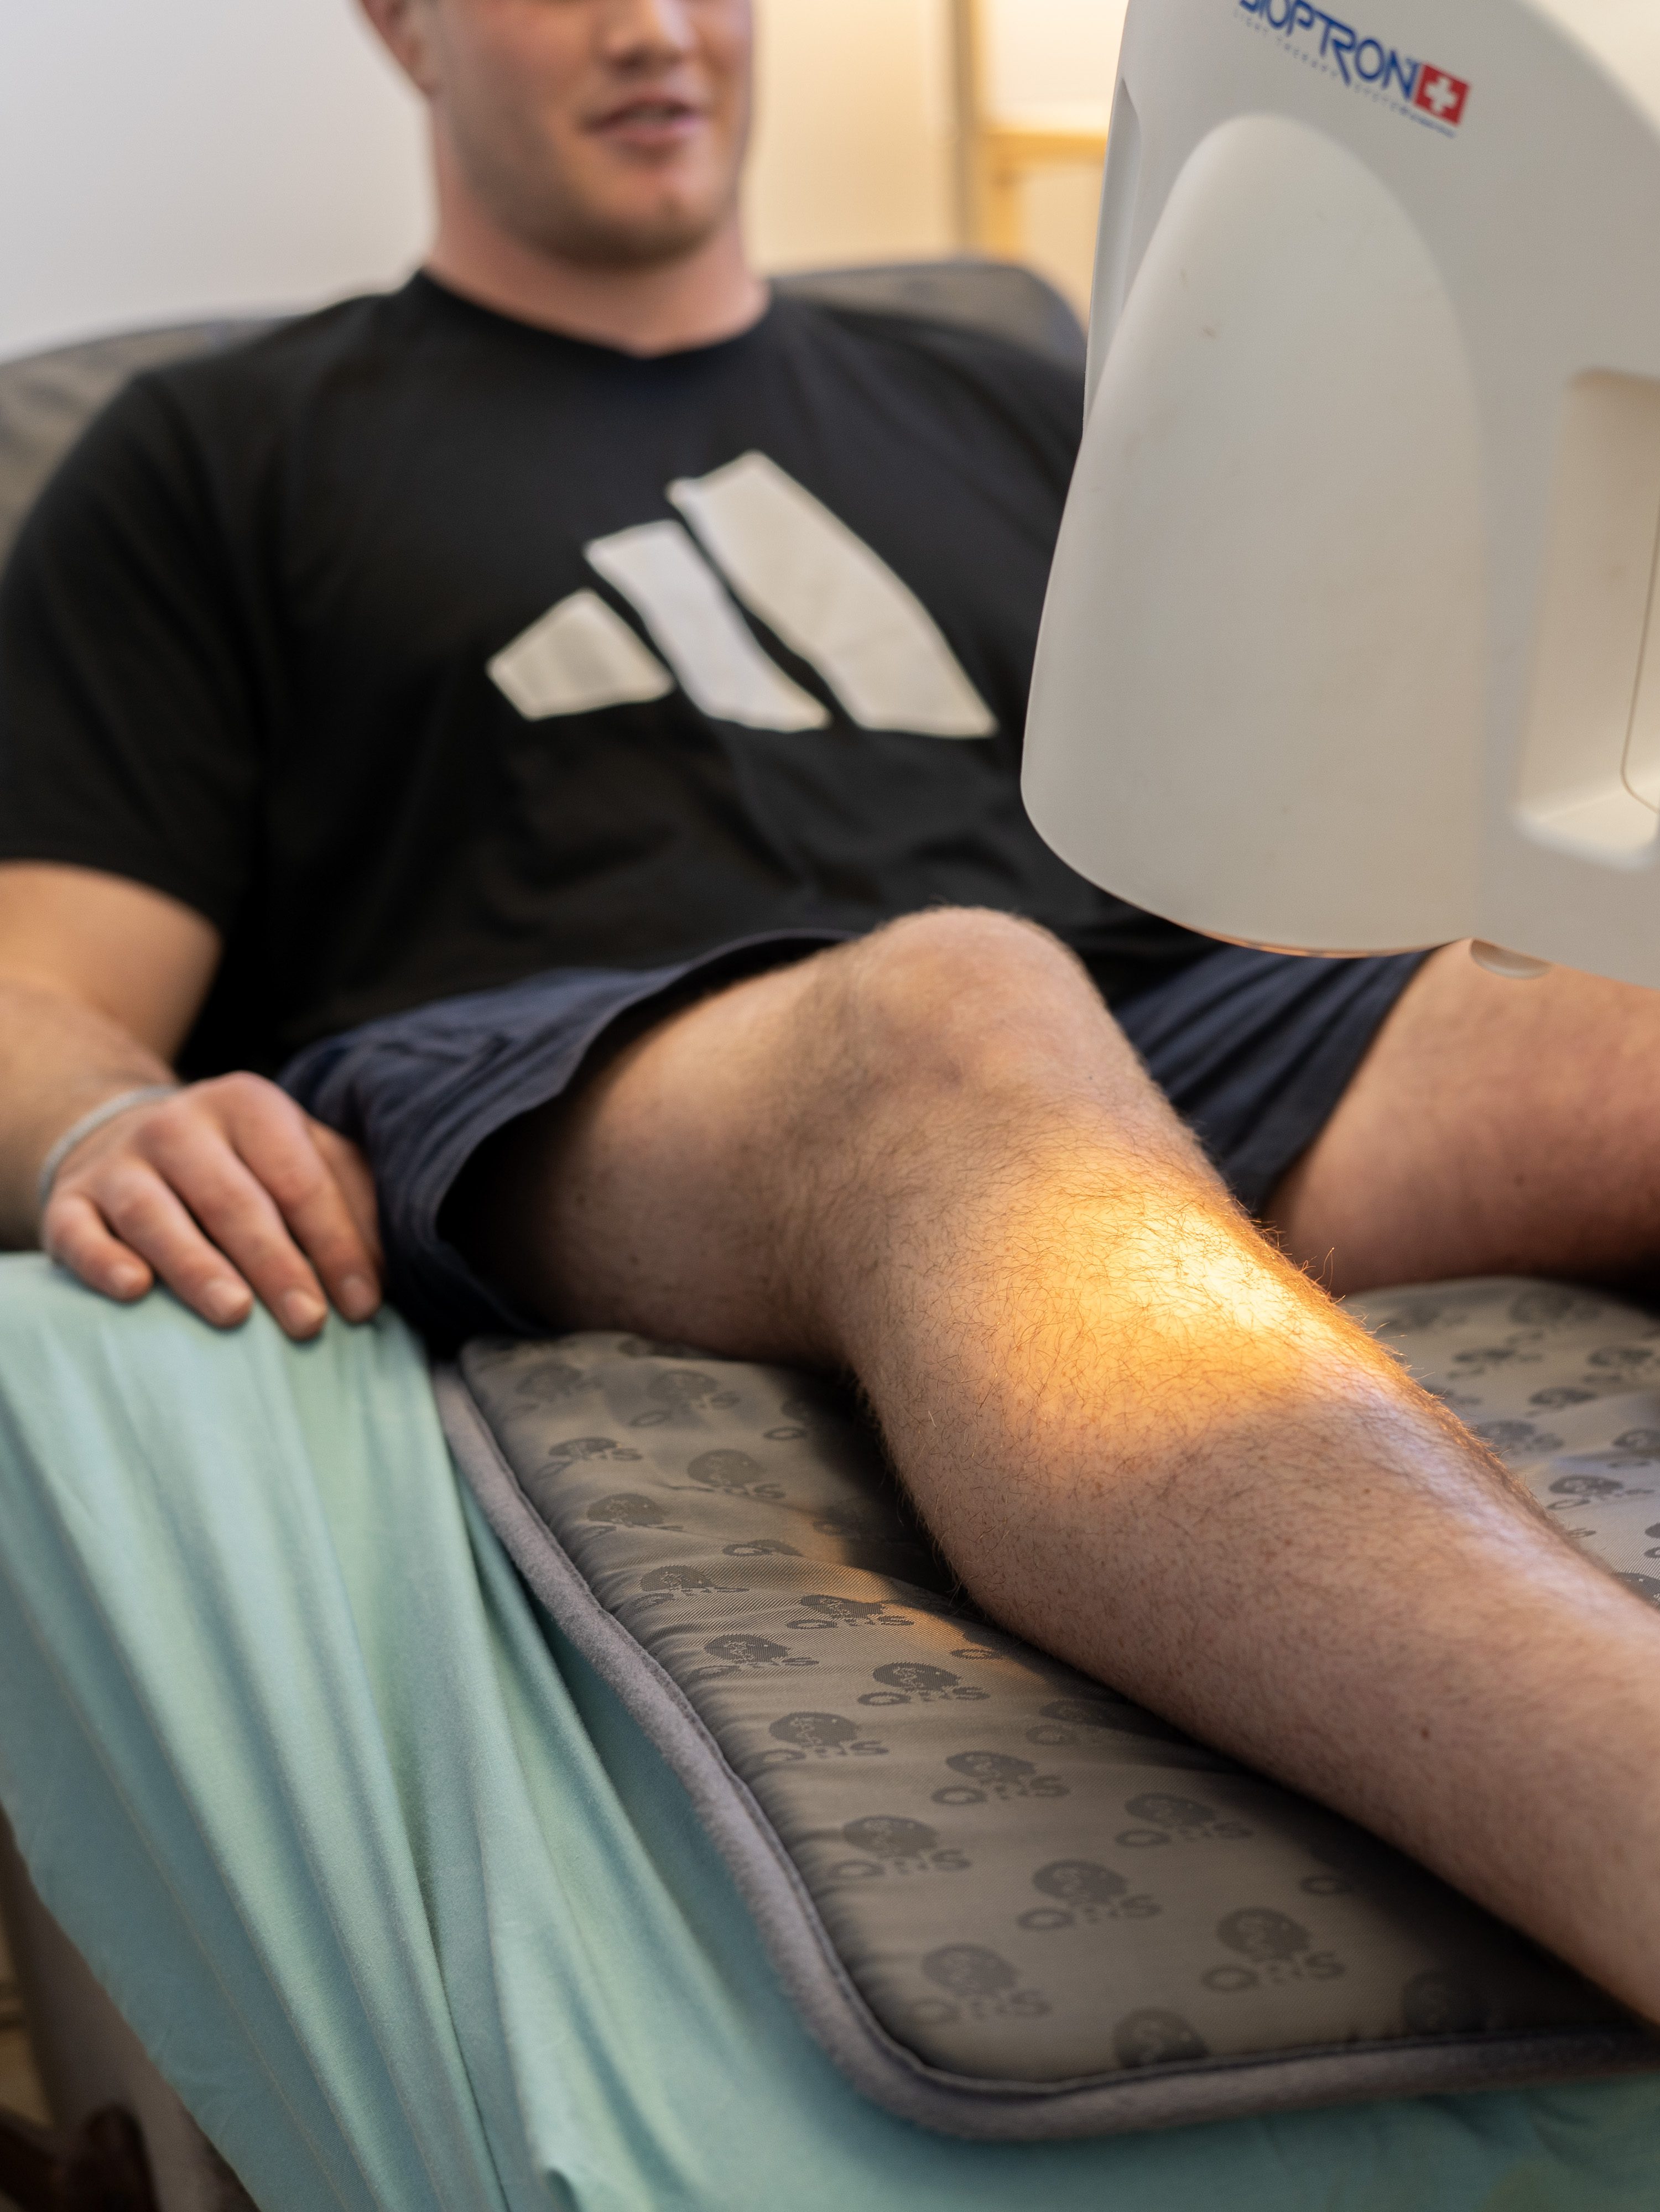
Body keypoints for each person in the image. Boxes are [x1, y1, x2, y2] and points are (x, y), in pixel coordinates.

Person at [3, 0, 1660, 2037]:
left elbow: (1270, 829)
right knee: (954, 1000)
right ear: (403, 26)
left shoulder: (1020, 398)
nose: (654, 29)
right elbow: (41, 984)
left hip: (1157, 1021)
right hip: (580, 1065)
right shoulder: (213, 452)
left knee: (1615, 992)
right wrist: (104, 1120)